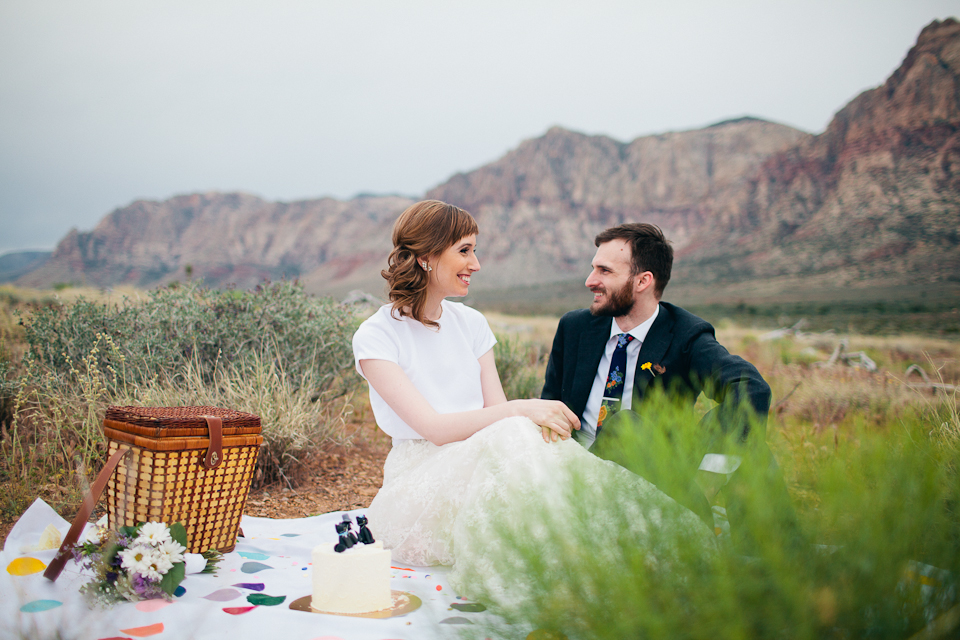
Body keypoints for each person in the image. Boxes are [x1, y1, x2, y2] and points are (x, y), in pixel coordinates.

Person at [353, 201, 716, 608]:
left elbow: (496, 419)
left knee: (526, 445)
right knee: (516, 430)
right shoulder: (377, 336)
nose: (476, 263)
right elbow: (435, 428)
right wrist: (523, 409)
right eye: (465, 250)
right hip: (419, 484)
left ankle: (639, 554)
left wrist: (520, 416)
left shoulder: (471, 325)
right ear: (426, 257)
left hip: (482, 460)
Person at [541, 223, 794, 545]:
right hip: (581, 464)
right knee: (625, 424)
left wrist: (709, 477)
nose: (590, 281)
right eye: (593, 269)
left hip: (656, 471)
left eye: (604, 271)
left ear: (643, 280)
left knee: (748, 440)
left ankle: (772, 555)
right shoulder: (575, 327)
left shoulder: (685, 334)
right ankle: (699, 535)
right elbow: (549, 404)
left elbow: (750, 387)